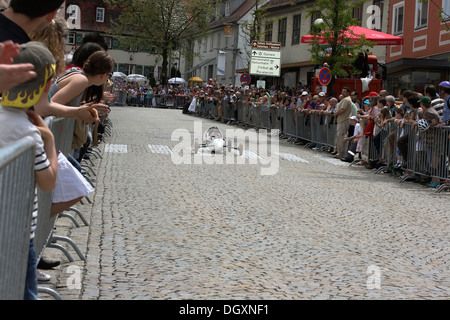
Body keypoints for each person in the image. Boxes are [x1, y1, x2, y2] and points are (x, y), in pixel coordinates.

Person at [0, 41, 58, 300]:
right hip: (18, 234)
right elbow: (47, 183)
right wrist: (50, 140)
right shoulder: (29, 133)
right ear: (45, 86)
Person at [0, 0, 99, 124]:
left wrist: (76, 112)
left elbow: (42, 106)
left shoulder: (23, 48)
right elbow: (42, 107)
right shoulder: (25, 51)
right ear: (52, 14)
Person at [334, 87, 353, 159]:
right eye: (342, 91)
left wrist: (336, 114)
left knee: (341, 137)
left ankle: (341, 153)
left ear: (348, 93)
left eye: (344, 91)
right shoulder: (345, 99)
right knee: (340, 137)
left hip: (343, 120)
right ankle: (341, 153)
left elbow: (342, 110)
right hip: (342, 120)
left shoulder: (346, 100)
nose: (342, 93)